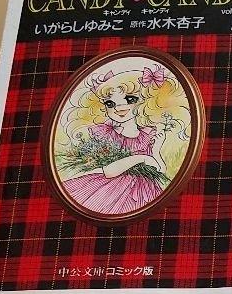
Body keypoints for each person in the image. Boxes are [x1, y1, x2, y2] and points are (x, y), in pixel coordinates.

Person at [56, 62, 191, 215]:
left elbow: (160, 170)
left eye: (130, 100)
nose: (119, 107)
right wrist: (141, 158)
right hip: (110, 191)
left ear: (146, 101)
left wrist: (156, 151)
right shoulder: (106, 134)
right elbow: (108, 171)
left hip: (145, 192)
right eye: (110, 103)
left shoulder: (148, 134)